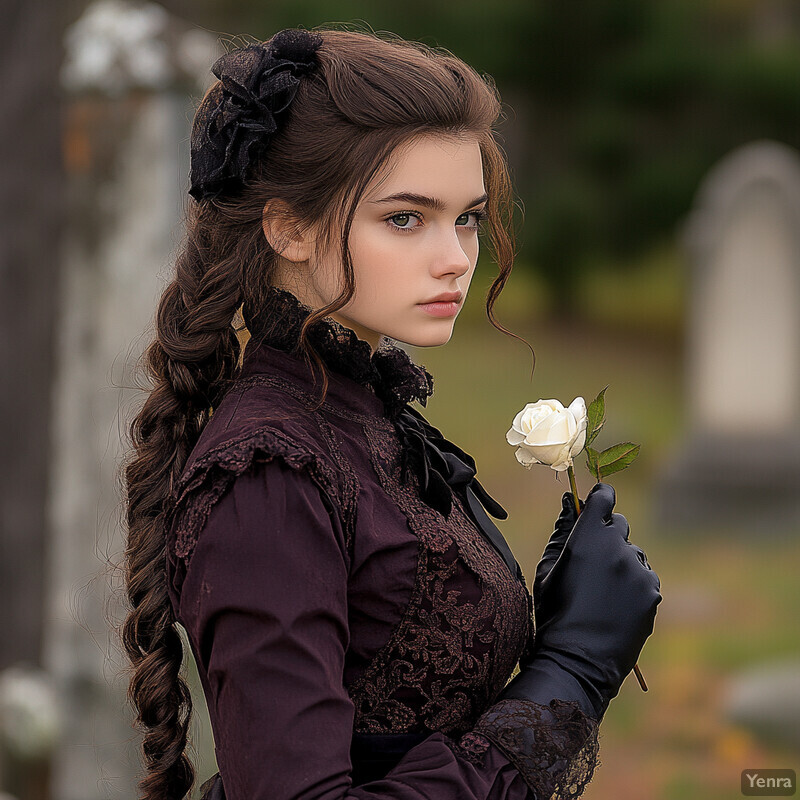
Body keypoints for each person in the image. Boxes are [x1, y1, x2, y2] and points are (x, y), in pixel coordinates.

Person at [121, 27, 661, 800]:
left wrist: (558, 613)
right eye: (406, 218)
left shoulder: (362, 412)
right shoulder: (269, 476)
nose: (455, 258)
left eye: (468, 217)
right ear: (289, 228)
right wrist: (571, 670)